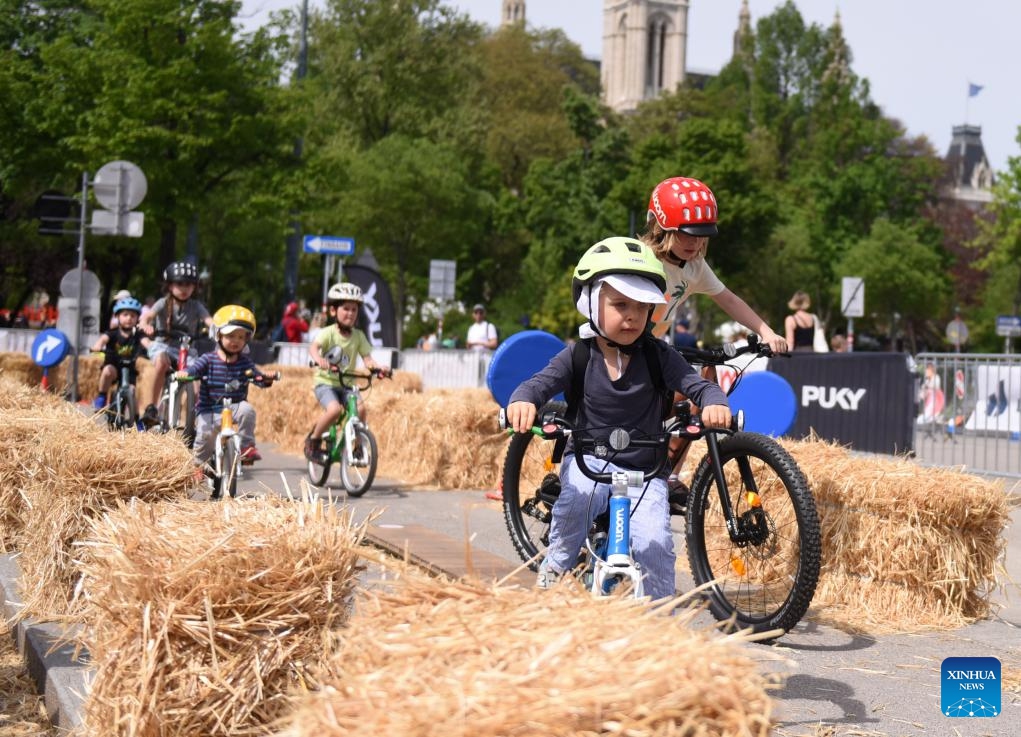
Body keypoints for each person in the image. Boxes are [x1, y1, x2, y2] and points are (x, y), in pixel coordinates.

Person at [505, 237, 731, 601]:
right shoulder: (578, 355)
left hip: (644, 469)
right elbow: (539, 384)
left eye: (642, 307)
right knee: (575, 505)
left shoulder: (660, 355)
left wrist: (713, 401)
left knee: (656, 543)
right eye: (620, 304)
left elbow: (693, 383)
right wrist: (522, 401)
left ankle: (659, 615)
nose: (631, 315)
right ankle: (555, 569)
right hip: (589, 461)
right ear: (591, 302)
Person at [641, 177, 787, 354]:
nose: (695, 242)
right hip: (621, 349)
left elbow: (730, 301)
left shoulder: (696, 266)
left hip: (650, 349)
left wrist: (767, 333)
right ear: (661, 228)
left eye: (702, 234)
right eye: (687, 234)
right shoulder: (642, 260)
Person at [176, 305, 275, 466]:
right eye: (230, 335)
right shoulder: (208, 359)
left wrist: (266, 378)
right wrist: (186, 373)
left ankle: (246, 447)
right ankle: (198, 465)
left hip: (234, 406)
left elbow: (257, 377)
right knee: (205, 436)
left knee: (247, 410)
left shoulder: (245, 362)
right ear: (218, 335)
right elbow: (193, 369)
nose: (236, 341)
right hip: (210, 409)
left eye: (241, 337)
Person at [305, 283, 392, 462]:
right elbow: (314, 347)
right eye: (345, 308)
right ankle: (313, 441)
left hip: (346, 384)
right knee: (335, 410)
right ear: (333, 311)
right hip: (326, 383)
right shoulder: (328, 333)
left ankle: (358, 446)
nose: (350, 313)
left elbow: (368, 360)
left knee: (361, 410)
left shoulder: (358, 336)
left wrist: (378, 369)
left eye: (354, 309)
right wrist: (319, 359)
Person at [138, 261, 214, 426]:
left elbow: (209, 320)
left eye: (189, 285)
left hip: (187, 348)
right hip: (163, 345)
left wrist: (218, 329)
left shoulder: (196, 305)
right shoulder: (163, 303)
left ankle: (197, 419)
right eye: (179, 284)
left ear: (195, 287)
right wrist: (145, 324)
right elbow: (148, 316)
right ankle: (151, 406)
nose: (184, 288)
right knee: (161, 363)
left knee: (197, 378)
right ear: (170, 286)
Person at [90, 296, 148, 410]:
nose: (129, 318)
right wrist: (97, 346)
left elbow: (147, 343)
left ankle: (136, 418)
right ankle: (102, 396)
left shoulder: (138, 335)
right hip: (114, 366)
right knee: (107, 371)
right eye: (125, 315)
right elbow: (103, 339)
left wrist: (153, 348)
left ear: (137, 318)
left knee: (132, 391)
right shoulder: (112, 333)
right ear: (117, 316)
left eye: (133, 316)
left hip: (130, 370)